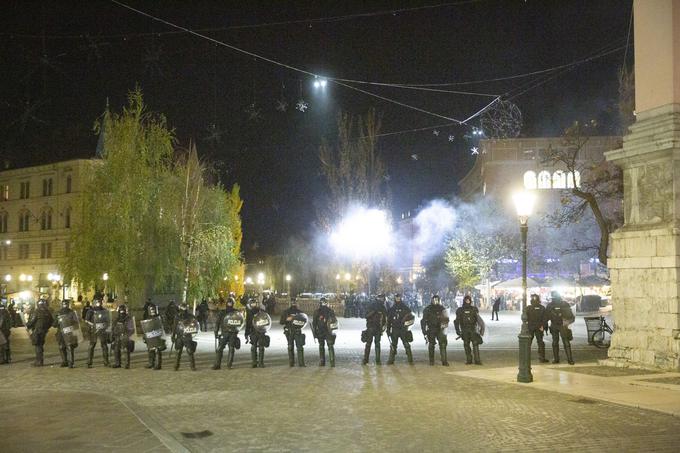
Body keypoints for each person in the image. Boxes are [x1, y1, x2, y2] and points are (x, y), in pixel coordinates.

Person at [213, 297, 243, 370]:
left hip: (233, 333)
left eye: (231, 303)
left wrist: (237, 330)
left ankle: (229, 364)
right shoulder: (222, 312)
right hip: (224, 333)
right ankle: (217, 364)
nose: (229, 304)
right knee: (219, 348)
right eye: (228, 303)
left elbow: (240, 321)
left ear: (233, 304)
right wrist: (216, 331)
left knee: (231, 348)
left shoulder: (236, 312)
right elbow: (217, 323)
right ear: (226, 303)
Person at [545, 292, 575, 365]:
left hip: (557, 325)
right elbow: (571, 316)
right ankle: (569, 360)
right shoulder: (564, 304)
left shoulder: (550, 305)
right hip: (560, 325)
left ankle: (557, 359)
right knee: (564, 342)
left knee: (557, 342)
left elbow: (546, 317)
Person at [455, 295, 485, 365]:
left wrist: (481, 330)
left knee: (475, 344)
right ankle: (469, 360)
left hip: (473, 329)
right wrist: (458, 331)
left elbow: (479, 320)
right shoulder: (460, 310)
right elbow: (457, 321)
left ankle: (477, 360)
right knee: (466, 345)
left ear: (470, 301)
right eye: (466, 300)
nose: (467, 301)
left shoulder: (474, 309)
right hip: (464, 329)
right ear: (464, 301)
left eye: (468, 300)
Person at [386, 294, 415, 365]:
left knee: (406, 344)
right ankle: (391, 360)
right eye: (396, 297)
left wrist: (406, 324)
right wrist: (388, 329)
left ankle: (410, 360)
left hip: (403, 329)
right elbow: (389, 320)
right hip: (395, 329)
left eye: (399, 297)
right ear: (395, 298)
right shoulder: (392, 309)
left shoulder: (405, 308)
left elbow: (411, 317)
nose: (398, 299)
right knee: (393, 345)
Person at [421, 295, 449, 366]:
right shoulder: (428, 309)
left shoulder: (442, 309)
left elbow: (446, 319)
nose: (435, 301)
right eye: (434, 300)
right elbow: (423, 321)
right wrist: (424, 331)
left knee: (442, 344)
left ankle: (444, 361)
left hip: (440, 329)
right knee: (431, 345)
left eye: (437, 300)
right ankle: (431, 361)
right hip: (431, 329)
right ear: (432, 300)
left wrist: (444, 328)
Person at [25, 297, 54, 367]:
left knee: (38, 346)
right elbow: (51, 321)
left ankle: (39, 361)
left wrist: (27, 325)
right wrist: (46, 328)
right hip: (44, 331)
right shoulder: (48, 312)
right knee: (40, 345)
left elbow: (32, 321)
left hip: (37, 331)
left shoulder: (37, 311)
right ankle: (39, 360)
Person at [280, 298, 307, 367]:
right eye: (293, 302)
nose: (294, 303)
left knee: (300, 347)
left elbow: (304, 321)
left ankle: (301, 363)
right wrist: (287, 319)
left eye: (295, 302)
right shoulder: (286, 312)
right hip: (289, 331)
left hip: (297, 331)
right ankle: (291, 363)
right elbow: (281, 322)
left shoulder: (300, 312)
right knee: (290, 347)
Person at [172, 302, 199, 371]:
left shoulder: (190, 316)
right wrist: (173, 335)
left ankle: (192, 366)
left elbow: (195, 323)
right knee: (178, 351)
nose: (184, 309)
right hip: (179, 335)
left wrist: (194, 328)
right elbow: (174, 326)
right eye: (182, 308)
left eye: (185, 308)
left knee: (190, 351)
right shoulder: (177, 316)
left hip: (187, 336)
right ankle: (176, 366)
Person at [53, 299, 79, 368]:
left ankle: (70, 362)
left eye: (66, 304)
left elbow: (76, 322)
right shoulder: (58, 313)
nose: (65, 305)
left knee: (69, 346)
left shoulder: (72, 312)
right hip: (61, 332)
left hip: (69, 331)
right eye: (64, 304)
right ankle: (64, 361)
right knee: (62, 347)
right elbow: (54, 324)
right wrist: (57, 322)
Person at [362, 294, 387, 365]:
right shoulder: (381, 306)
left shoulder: (373, 305)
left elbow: (366, 315)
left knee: (370, 344)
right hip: (376, 328)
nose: (383, 300)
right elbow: (367, 316)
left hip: (372, 327)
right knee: (376, 344)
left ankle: (366, 360)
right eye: (383, 298)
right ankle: (377, 360)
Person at [312, 297, 337, 367]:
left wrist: (315, 333)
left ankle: (322, 361)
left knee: (321, 346)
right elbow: (334, 321)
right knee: (330, 346)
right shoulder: (330, 311)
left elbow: (314, 324)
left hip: (321, 331)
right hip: (328, 331)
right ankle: (332, 362)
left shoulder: (317, 311)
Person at [245, 298, 270, 368]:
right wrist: (246, 334)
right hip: (253, 332)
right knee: (253, 347)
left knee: (261, 347)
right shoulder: (249, 313)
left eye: (254, 303)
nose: (253, 305)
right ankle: (254, 362)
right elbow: (248, 324)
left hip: (261, 331)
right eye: (252, 303)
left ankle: (261, 362)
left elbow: (266, 319)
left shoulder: (261, 311)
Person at [86, 298, 111, 368]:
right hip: (94, 330)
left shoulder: (104, 311)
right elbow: (87, 320)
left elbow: (107, 320)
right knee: (92, 345)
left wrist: (105, 326)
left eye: (99, 302)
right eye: (97, 302)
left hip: (102, 330)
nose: (98, 304)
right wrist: (93, 325)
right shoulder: (90, 311)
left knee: (104, 345)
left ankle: (106, 361)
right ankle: (89, 362)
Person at [526, 294, 549, 363]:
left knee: (528, 342)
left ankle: (526, 357)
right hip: (539, 327)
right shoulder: (542, 308)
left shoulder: (528, 308)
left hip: (530, 327)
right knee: (540, 342)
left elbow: (524, 318)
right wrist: (543, 326)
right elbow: (545, 318)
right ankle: (542, 358)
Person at [141, 303, 165, 370]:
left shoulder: (159, 318)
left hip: (158, 336)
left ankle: (158, 364)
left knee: (158, 350)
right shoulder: (148, 318)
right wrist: (144, 336)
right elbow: (146, 327)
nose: (152, 311)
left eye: (153, 310)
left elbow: (162, 327)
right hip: (150, 336)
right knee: (150, 350)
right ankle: (151, 363)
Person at [112, 304, 134, 369]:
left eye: (122, 311)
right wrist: (113, 334)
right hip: (117, 336)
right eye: (120, 311)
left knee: (125, 350)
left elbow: (131, 328)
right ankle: (117, 363)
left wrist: (127, 335)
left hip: (125, 336)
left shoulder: (128, 319)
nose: (121, 313)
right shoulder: (116, 319)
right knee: (116, 349)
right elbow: (113, 327)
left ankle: (127, 364)